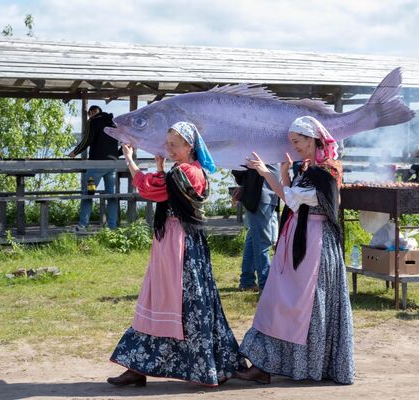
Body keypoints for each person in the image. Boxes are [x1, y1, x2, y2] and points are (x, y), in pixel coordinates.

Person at [107, 122, 246, 387]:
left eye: (174, 145)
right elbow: (165, 189)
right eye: (168, 143)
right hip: (181, 241)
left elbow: (151, 189)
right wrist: (159, 170)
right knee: (168, 301)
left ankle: (198, 367)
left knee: (174, 302)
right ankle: (139, 366)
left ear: (190, 146)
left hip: (178, 244)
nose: (169, 149)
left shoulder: (185, 172)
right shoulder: (191, 170)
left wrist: (130, 160)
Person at [235, 116, 355, 385]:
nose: (295, 146)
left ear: (313, 139)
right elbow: (291, 199)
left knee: (301, 304)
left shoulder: (327, 170)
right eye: (292, 142)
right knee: (280, 300)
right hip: (299, 236)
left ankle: (303, 365)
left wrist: (269, 173)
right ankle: (265, 363)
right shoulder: (308, 168)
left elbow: (292, 198)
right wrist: (285, 172)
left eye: (298, 141)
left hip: (315, 240)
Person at [69, 105, 121, 230]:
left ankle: (83, 224)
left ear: (91, 112)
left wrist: (75, 152)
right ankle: (112, 227)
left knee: (88, 194)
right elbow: (125, 140)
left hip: (96, 165)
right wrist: (116, 155)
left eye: (89, 114)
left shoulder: (93, 121)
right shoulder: (113, 123)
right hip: (112, 165)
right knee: (111, 195)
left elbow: (88, 139)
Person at [231, 167, 279, 292]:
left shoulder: (262, 148)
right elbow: (238, 168)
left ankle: (247, 280)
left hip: (266, 194)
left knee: (254, 238)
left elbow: (238, 169)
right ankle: (265, 283)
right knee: (262, 241)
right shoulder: (260, 148)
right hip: (262, 195)